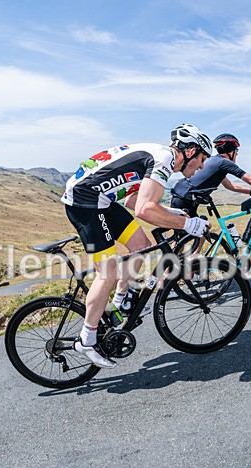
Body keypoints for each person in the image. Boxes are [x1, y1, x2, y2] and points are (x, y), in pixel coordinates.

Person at [61, 124, 213, 368]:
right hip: (84, 201)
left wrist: (172, 212)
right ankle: (87, 339)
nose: (202, 166)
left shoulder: (159, 157)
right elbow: (144, 209)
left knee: (141, 245)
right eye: (202, 159)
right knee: (107, 273)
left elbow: (133, 199)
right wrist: (188, 224)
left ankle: (120, 304)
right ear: (191, 151)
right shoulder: (164, 160)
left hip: (100, 198)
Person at [170, 133, 251, 217]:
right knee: (200, 233)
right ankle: (188, 256)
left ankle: (181, 255)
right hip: (186, 198)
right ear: (231, 151)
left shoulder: (214, 161)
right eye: (236, 151)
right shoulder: (224, 163)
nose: (237, 154)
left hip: (182, 195)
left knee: (190, 235)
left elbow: (230, 185)